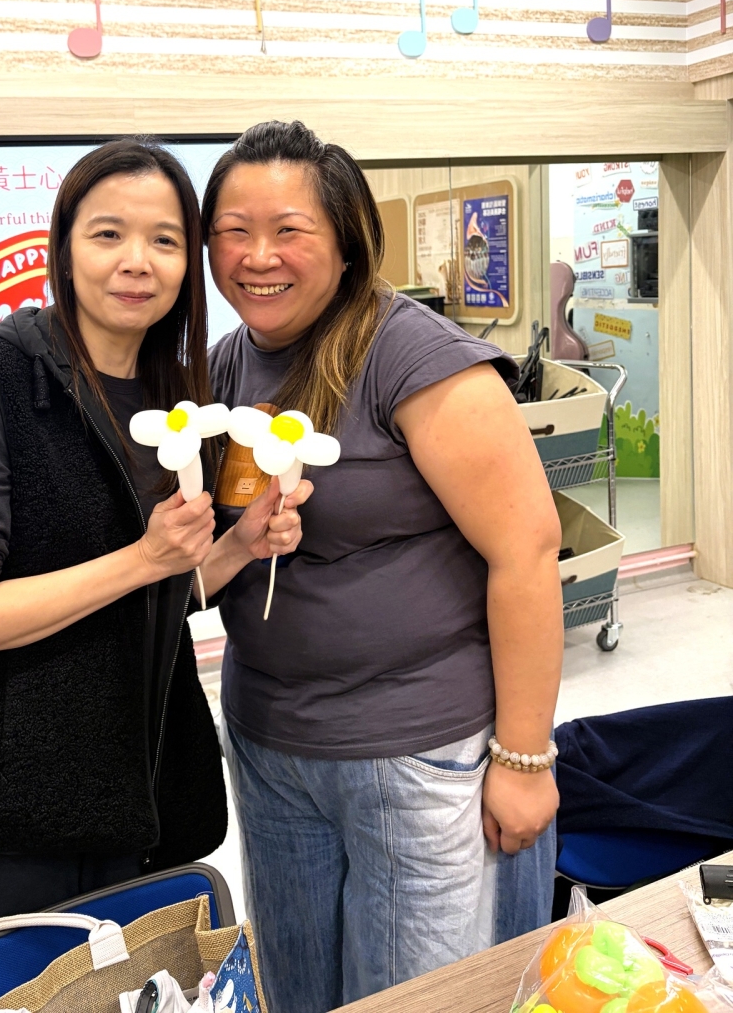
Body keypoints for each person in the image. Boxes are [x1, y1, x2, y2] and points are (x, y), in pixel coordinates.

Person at [0, 138, 309, 935]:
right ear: (64, 248)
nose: (137, 262)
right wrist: (144, 557)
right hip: (11, 805)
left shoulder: (171, 394)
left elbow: (160, 592)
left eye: (164, 240)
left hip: (135, 784)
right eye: (108, 234)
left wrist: (238, 546)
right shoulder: (1, 381)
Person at [200, 121, 564, 1013]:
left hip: (416, 754)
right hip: (272, 745)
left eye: (288, 230)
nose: (257, 257)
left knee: (417, 998)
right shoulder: (228, 364)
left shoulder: (413, 358)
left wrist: (524, 759)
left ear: (347, 241)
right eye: (233, 232)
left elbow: (527, 550)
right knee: (300, 989)